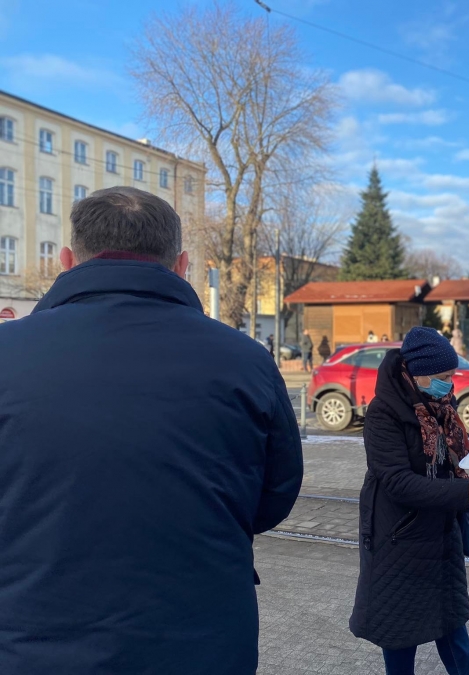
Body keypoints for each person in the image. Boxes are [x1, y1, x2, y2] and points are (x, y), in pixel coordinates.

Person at [0, 187, 303, 675]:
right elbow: (275, 495)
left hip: (31, 644)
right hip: (203, 644)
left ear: (67, 261)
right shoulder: (247, 360)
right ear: (181, 265)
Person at [349, 327, 469, 675]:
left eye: (452, 375)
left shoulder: (440, 404)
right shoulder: (383, 412)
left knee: (452, 628)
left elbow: (451, 453)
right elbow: (397, 483)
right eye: (444, 376)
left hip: (441, 533)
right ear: (419, 373)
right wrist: (464, 493)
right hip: (399, 539)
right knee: (400, 635)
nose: (450, 383)